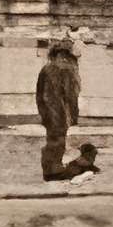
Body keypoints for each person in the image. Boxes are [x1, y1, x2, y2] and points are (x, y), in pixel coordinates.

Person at [35, 38, 83, 182]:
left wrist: (42, 112)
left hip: (47, 111)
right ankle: (53, 170)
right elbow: (71, 95)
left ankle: (49, 169)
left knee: (51, 139)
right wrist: (74, 115)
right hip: (59, 111)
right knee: (59, 140)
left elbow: (38, 94)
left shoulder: (45, 68)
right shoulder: (66, 69)